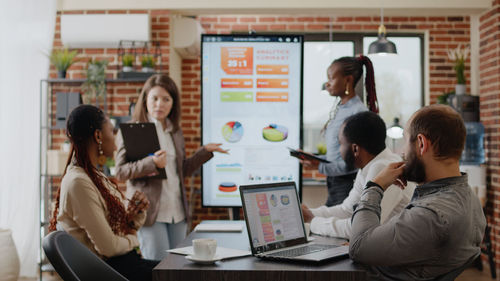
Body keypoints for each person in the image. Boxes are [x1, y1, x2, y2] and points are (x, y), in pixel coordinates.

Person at [349, 105, 486, 280]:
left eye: (405, 141)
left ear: (421, 143)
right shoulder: (470, 200)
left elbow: (358, 247)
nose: (402, 152)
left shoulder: (430, 215)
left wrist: (375, 186)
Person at [115, 74, 228, 260]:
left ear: (173, 103)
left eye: (166, 99)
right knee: (158, 266)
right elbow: (120, 172)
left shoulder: (175, 132)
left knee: (177, 265)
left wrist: (204, 152)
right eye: (155, 98)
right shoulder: (131, 129)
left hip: (177, 211)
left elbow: (181, 171)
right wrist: (152, 163)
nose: (160, 104)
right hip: (150, 213)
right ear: (145, 100)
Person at [49, 105, 158, 281]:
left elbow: (113, 236)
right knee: (178, 273)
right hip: (110, 271)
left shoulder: (94, 176)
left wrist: (131, 220)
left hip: (121, 264)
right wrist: (134, 239)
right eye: (111, 130)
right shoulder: (79, 183)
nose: (115, 139)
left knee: (179, 270)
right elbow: (108, 247)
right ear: (98, 136)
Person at [301, 111, 415, 239]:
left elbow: (359, 228)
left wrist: (313, 221)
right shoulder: (370, 166)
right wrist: (308, 213)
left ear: (355, 149)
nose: (339, 150)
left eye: (341, 144)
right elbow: (347, 210)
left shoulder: (382, 168)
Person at [305, 55, 378, 207]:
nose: (327, 84)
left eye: (331, 78)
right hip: (334, 182)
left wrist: (318, 166)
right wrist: (316, 159)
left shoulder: (357, 113)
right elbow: (337, 154)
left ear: (348, 80)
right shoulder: (341, 109)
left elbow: (354, 161)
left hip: (347, 185)